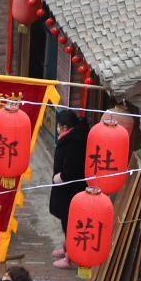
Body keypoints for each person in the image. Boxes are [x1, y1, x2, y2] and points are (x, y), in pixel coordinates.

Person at [49, 109, 87, 267]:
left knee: (71, 222)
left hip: (70, 189)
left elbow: (71, 167)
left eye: (59, 126)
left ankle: (69, 257)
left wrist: (61, 177)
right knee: (66, 221)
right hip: (66, 189)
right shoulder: (71, 136)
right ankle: (66, 248)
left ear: (64, 127)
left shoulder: (75, 142)